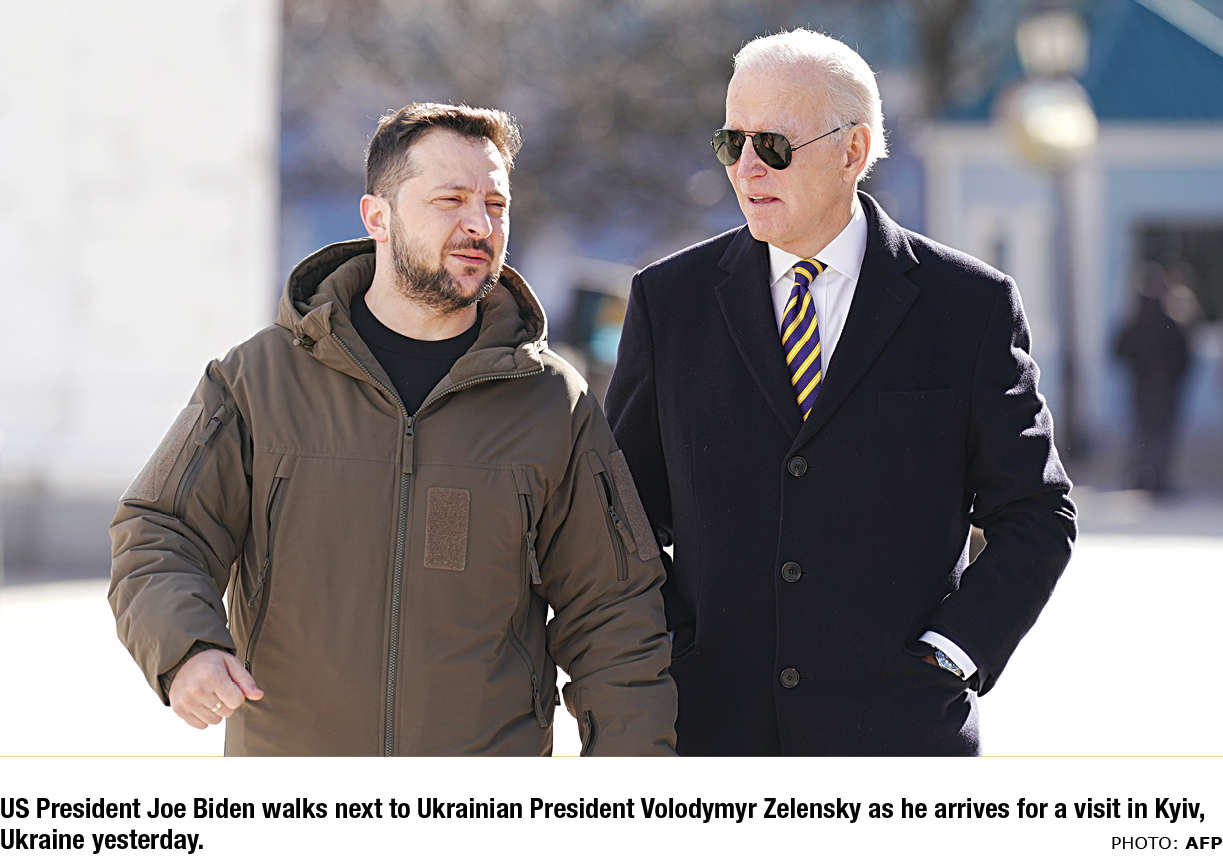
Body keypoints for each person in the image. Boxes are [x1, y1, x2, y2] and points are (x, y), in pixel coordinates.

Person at [109, 103, 676, 756]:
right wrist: (187, 648)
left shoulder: (553, 403)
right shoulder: (258, 379)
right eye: (450, 200)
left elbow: (614, 612)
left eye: (495, 204)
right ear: (377, 217)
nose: (480, 223)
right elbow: (161, 528)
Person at [605, 30, 1076, 755]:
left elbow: (1037, 512)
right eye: (731, 143)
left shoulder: (968, 305)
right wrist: (673, 643)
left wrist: (956, 650)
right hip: (713, 734)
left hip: (900, 741)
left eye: (773, 145)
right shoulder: (669, 301)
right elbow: (621, 514)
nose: (746, 167)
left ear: (853, 150)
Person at [1113, 263, 1193, 495]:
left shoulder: (1134, 322)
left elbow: (1119, 350)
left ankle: (1140, 477)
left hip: (1141, 386)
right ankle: (1157, 479)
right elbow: (1184, 355)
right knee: (1160, 435)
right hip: (1164, 387)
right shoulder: (1169, 321)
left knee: (1141, 432)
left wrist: (1137, 369)